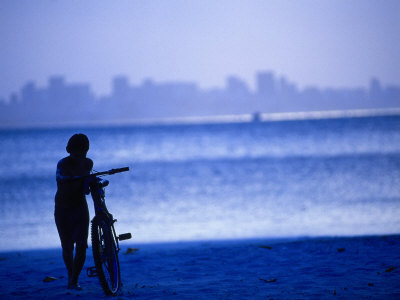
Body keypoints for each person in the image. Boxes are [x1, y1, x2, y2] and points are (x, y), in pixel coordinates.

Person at [54, 134, 93, 290]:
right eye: (77, 153)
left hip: (80, 206)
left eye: (83, 153)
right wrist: (71, 178)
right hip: (62, 208)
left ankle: (74, 279)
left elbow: (86, 189)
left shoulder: (88, 163)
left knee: (82, 246)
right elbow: (60, 176)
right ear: (69, 151)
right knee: (67, 246)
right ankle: (71, 275)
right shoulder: (63, 163)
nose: (80, 156)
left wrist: (88, 183)